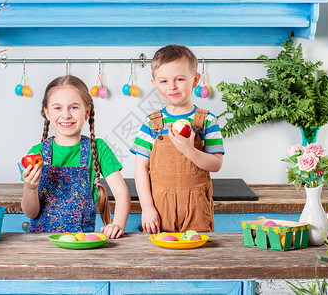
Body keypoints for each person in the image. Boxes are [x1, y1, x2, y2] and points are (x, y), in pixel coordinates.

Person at [130, 45, 224, 234]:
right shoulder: (152, 122)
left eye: (179, 79)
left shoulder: (206, 120)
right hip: (160, 207)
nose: (171, 86)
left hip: (197, 207)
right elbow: (141, 167)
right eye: (163, 81)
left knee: (197, 254)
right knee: (160, 256)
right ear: (155, 83)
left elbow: (216, 164)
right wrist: (147, 207)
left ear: (195, 80)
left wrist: (190, 150)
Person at [21, 75, 130, 239]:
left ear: (87, 111)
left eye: (73, 107)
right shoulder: (36, 153)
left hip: (81, 244)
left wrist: (118, 224)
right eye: (57, 108)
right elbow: (31, 213)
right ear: (47, 113)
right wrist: (30, 188)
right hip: (41, 245)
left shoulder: (99, 149)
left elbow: (122, 194)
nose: (66, 115)